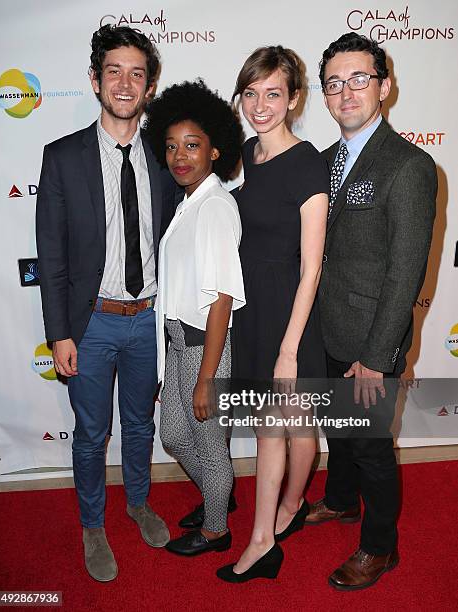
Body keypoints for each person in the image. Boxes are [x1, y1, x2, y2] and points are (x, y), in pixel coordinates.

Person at [36, 25, 179, 582]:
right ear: (95, 80)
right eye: (114, 71)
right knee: (92, 434)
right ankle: (93, 524)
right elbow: (51, 254)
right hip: (90, 323)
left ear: (149, 86)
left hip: (147, 321)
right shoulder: (63, 157)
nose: (125, 82)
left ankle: (138, 503)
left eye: (136, 73)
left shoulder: (168, 157)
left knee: (140, 426)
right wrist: (60, 333)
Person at [306, 32, 437, 591]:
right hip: (328, 328)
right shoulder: (324, 161)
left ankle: (382, 548)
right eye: (334, 83)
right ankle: (340, 500)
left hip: (371, 340)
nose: (345, 92)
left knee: (372, 446)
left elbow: (404, 273)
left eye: (359, 78)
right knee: (339, 431)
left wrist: (377, 358)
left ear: (384, 87)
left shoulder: (408, 166)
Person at [216, 46, 329, 583]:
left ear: (294, 99)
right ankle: (293, 506)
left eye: (273, 94)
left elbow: (311, 269)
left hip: (291, 314)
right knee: (297, 426)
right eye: (251, 93)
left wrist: (289, 347)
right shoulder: (247, 153)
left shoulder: (308, 163)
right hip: (254, 308)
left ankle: (264, 538)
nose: (260, 105)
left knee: (273, 430)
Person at [144, 80, 245, 556]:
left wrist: (207, 377)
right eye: (171, 146)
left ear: (215, 149)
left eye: (192, 145)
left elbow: (223, 296)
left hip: (205, 346)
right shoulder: (190, 203)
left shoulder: (215, 207)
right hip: (179, 344)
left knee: (208, 445)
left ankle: (216, 529)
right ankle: (217, 496)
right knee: (175, 437)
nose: (179, 156)